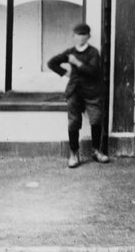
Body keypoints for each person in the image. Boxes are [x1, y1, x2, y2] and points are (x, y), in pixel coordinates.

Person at [47, 23, 109, 169]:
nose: (80, 38)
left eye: (83, 35)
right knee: (73, 121)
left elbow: (93, 71)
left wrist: (77, 63)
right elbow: (52, 63)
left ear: (88, 36)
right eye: (77, 35)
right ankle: (74, 153)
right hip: (75, 91)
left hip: (92, 91)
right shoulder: (71, 52)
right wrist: (65, 73)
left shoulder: (93, 52)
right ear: (73, 37)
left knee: (96, 118)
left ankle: (96, 151)